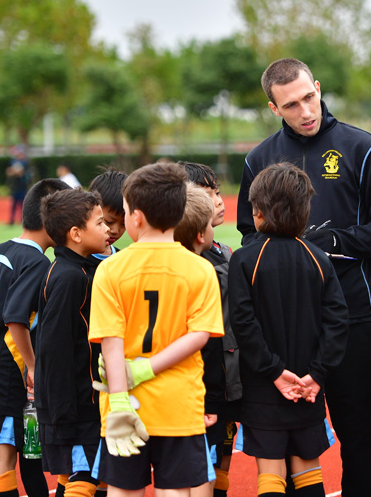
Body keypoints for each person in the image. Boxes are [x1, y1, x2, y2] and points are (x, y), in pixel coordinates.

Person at [237, 58, 371, 495]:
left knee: (361, 431)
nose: (306, 111)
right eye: (291, 105)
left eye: (310, 97)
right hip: (285, 329)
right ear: (274, 108)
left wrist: (330, 245)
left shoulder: (361, 147)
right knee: (289, 439)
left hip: (352, 318)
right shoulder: (259, 159)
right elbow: (246, 232)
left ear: (319, 87)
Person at [88, 162, 223, 495]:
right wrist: (146, 369)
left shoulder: (111, 269)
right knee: (175, 491)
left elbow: (111, 339)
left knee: (122, 489)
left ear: (135, 217)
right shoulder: (200, 269)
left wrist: (119, 399)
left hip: (126, 404)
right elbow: (199, 335)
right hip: (179, 403)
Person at [229, 163, 349, 497]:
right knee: (307, 465)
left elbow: (243, 323)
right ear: (305, 212)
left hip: (264, 386)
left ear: (258, 213)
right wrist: (316, 374)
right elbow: (337, 322)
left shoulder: (244, 259)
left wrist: (274, 371)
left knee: (270, 469)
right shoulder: (319, 258)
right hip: (308, 386)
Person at [0, 178, 69, 497]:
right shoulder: (37, 263)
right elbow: (15, 319)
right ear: (52, 219)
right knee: (1, 455)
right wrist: (31, 365)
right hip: (0, 372)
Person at [34, 188, 109, 497]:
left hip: (84, 403)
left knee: (96, 474)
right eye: (101, 222)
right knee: (84, 475)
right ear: (76, 234)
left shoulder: (83, 269)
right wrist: (64, 412)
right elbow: (54, 348)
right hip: (75, 406)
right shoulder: (68, 277)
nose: (108, 230)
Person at [179, 161, 240, 497]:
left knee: (222, 460)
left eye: (217, 192)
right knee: (196, 464)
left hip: (229, 378)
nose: (218, 200)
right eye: (208, 193)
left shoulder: (225, 252)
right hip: (201, 380)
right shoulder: (188, 262)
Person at [88, 168, 128, 257]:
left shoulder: (121, 260)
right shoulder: (75, 259)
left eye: (124, 224)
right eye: (109, 222)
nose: (115, 231)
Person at [6, 146, 30, 226]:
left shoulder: (25, 162)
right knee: (14, 204)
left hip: (23, 186)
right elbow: (8, 172)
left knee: (22, 204)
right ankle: (12, 220)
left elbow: (20, 173)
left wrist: (14, 171)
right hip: (15, 187)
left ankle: (22, 220)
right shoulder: (12, 161)